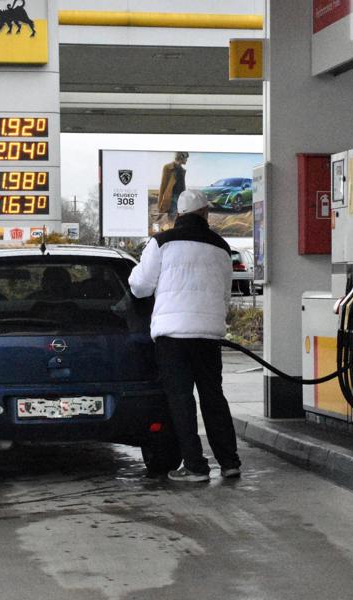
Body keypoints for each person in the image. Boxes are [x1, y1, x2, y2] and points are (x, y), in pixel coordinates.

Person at [129, 189, 241, 482]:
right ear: (205, 213)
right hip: (208, 334)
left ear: (178, 215)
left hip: (173, 336)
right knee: (213, 397)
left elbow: (140, 286)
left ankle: (195, 466)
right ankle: (229, 462)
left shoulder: (162, 242)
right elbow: (226, 294)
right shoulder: (221, 246)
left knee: (181, 400)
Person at [158, 152, 189, 218]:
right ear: (181, 157)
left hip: (181, 197)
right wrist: (160, 203)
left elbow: (182, 185)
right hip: (172, 197)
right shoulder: (167, 167)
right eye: (186, 158)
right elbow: (163, 185)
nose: (187, 160)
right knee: (172, 217)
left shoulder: (182, 170)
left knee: (180, 216)